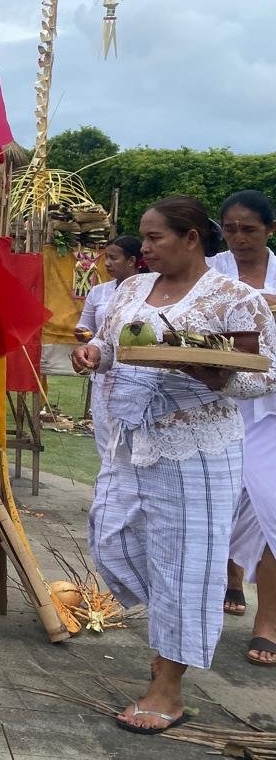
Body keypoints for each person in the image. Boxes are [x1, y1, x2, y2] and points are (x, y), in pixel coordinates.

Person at [72, 195, 276, 733]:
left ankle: (168, 688)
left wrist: (212, 373)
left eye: (156, 237)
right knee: (109, 537)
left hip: (197, 450)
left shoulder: (236, 299)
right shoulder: (133, 288)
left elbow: (261, 375)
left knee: (185, 565)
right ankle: (174, 613)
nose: (145, 248)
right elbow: (115, 344)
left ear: (191, 239)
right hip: (127, 439)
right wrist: (95, 353)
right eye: (143, 237)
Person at [209, 190, 276, 664]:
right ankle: (231, 577)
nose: (238, 238)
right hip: (222, 403)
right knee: (226, 502)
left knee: (271, 506)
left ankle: (268, 619)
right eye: (230, 229)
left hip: (272, 407)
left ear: (269, 230)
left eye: (249, 229)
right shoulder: (210, 270)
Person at [75, 236, 144, 460]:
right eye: (106, 257)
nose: (107, 263)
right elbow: (85, 326)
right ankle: (108, 488)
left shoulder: (149, 290)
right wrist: (85, 336)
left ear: (132, 260)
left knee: (133, 441)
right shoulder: (99, 292)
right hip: (104, 372)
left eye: (114, 258)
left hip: (137, 373)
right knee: (105, 437)